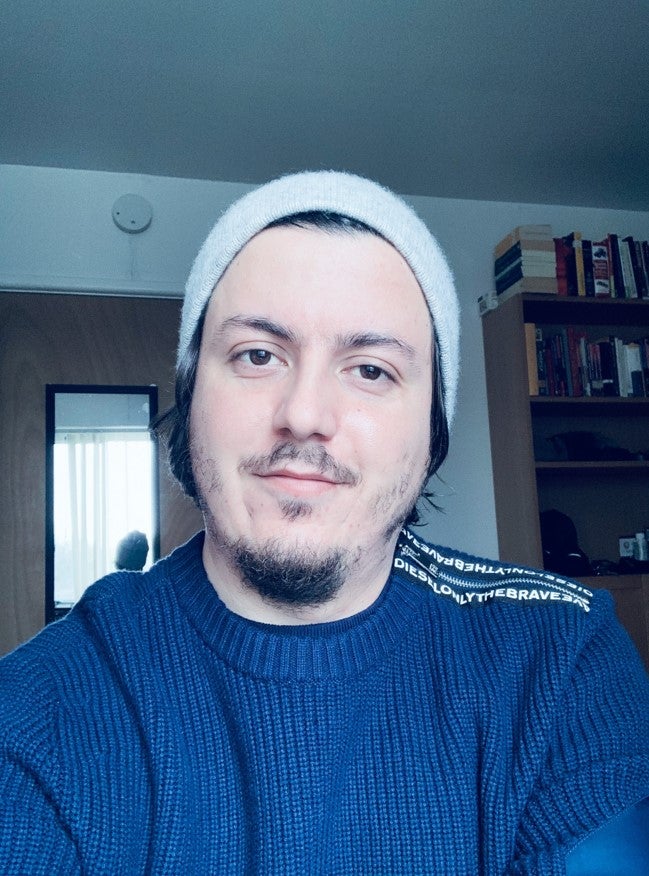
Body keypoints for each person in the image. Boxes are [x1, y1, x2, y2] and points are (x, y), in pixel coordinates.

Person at [1, 171, 648, 874]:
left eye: (369, 369)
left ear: (431, 433)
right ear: (189, 400)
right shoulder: (38, 714)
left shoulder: (562, 662)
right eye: (257, 355)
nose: (305, 413)